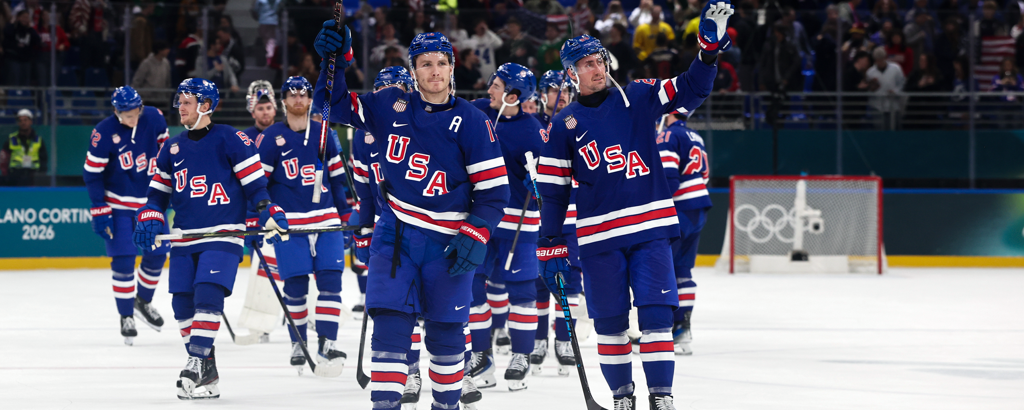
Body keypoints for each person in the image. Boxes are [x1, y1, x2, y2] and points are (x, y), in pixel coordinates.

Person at [534, 0, 730, 407]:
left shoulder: (638, 95)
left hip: (650, 231)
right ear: (571, 74)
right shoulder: (561, 125)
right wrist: (550, 242)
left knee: (657, 318)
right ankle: (622, 396)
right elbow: (552, 192)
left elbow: (691, 88)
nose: (597, 68)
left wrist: (708, 53)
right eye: (586, 64)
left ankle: (661, 395)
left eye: (599, 60)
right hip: (597, 239)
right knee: (609, 324)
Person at [313, 27, 509, 410]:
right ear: (413, 70)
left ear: (452, 68)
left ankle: (446, 404)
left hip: (449, 242)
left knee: (446, 335)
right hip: (396, 234)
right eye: (425, 64)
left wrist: (478, 231)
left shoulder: (472, 121)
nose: (434, 71)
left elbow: (494, 192)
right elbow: (327, 105)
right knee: (389, 325)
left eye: (440, 63)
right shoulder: (389, 105)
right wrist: (336, 60)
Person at [133, 78, 290, 400]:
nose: (180, 107)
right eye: (179, 101)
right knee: (181, 304)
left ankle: (194, 361)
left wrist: (268, 211)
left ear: (205, 105)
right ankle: (207, 371)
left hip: (223, 234)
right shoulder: (172, 146)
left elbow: (257, 188)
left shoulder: (231, 138)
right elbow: (156, 196)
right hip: (184, 236)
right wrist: (149, 215)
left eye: (187, 101)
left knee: (207, 294)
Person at [255, 76, 351, 375]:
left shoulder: (325, 133)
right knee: (295, 286)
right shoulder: (271, 137)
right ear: (283, 100)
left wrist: (345, 215)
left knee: (331, 281)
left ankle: (327, 341)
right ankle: (299, 341)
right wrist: (262, 215)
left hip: (326, 220)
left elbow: (338, 179)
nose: (298, 99)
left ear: (311, 100)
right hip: (289, 224)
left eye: (304, 95)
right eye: (292, 95)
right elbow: (260, 185)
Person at [464, 63, 544, 392]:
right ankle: (481, 353)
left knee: (522, 290)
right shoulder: (478, 112)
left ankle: (521, 355)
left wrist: (540, 186)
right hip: (482, 220)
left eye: (496, 86)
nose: (489, 90)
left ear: (512, 95)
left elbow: (553, 184)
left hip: (520, 225)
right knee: (472, 286)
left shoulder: (534, 132)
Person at [82, 86, 171, 346]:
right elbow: (91, 173)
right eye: (127, 115)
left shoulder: (154, 117)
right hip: (118, 205)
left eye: (136, 113)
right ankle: (125, 316)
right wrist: (99, 207)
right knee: (123, 261)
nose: (133, 118)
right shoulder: (103, 132)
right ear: (116, 111)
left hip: (151, 203)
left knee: (156, 255)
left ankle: (142, 301)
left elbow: (167, 157)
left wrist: (173, 190)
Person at [530, 70, 584, 378]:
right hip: (542, 217)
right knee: (539, 281)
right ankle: (538, 340)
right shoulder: (534, 128)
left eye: (564, 90)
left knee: (572, 280)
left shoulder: (579, 123)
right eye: (552, 89)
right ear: (541, 94)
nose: (559, 94)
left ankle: (565, 340)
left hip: (575, 216)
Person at [655, 111, 710, 355]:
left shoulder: (668, 135)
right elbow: (705, 175)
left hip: (679, 209)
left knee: (662, 267)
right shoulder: (695, 135)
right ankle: (682, 329)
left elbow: (669, 178)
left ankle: (662, 329)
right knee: (683, 270)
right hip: (699, 206)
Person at [2, 109, 47, 186]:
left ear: (30, 122)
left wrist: (41, 175)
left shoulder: (38, 140)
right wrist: (5, 175)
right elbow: (4, 157)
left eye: (25, 120)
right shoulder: (12, 139)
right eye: (20, 120)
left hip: (33, 176)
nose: (23, 123)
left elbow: (44, 159)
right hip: (15, 176)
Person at [866, 46, 905, 130]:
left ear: (885, 57)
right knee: (879, 132)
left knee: (895, 131)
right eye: (877, 59)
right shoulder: (870, 72)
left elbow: (902, 83)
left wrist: (895, 91)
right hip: (877, 106)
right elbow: (868, 90)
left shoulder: (896, 68)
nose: (879, 62)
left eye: (881, 59)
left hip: (893, 105)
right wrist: (872, 88)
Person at [132, 41, 172, 108]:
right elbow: (137, 80)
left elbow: (168, 81)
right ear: (160, 50)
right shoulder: (146, 63)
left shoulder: (166, 63)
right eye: (166, 49)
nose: (168, 50)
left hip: (162, 99)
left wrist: (167, 95)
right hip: (148, 99)